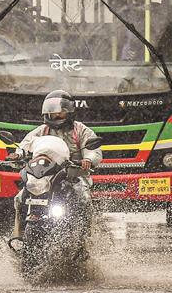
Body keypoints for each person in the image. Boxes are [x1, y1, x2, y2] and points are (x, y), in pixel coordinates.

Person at [8, 90, 102, 239]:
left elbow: (94, 150)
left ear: (70, 112)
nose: (56, 116)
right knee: (20, 198)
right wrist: (18, 154)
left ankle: (86, 238)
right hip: (46, 177)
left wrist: (88, 160)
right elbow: (25, 144)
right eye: (52, 113)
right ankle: (17, 233)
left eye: (60, 113)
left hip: (73, 176)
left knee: (84, 199)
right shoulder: (42, 130)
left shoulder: (81, 130)